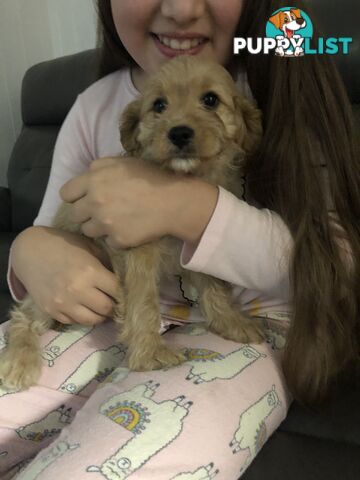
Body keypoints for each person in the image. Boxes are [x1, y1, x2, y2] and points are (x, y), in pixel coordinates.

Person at [1, 0, 359, 478]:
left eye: (210, 101)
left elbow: (335, 266)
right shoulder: (93, 106)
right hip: (102, 314)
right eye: (161, 105)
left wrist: (189, 209)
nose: (182, 7)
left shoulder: (291, 87)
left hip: (258, 325)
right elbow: (55, 236)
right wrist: (29, 249)